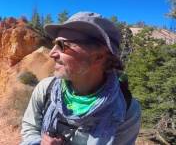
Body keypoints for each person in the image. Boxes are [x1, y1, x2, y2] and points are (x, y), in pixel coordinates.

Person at [21, 12, 141, 145]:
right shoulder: (46, 89)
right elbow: (30, 127)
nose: (52, 53)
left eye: (62, 45)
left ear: (98, 57)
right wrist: (39, 142)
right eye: (54, 44)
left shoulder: (126, 110)